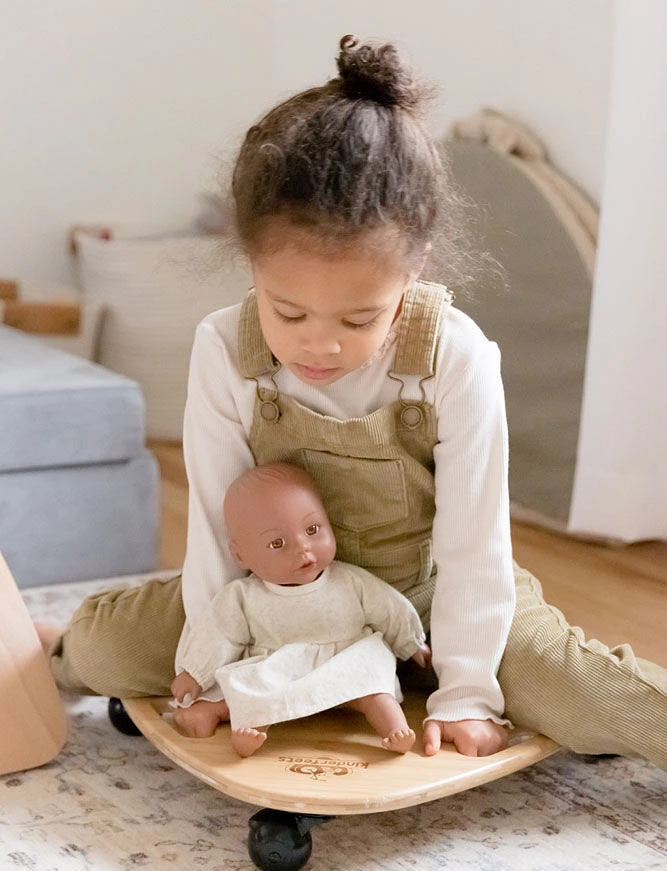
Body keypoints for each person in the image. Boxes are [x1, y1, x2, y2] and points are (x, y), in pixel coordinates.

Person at [44, 35, 666, 769]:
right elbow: (218, 536)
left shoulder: (455, 356)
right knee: (109, 649)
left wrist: (467, 691)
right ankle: (59, 639)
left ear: (415, 269)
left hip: (429, 597)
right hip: (278, 599)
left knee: (576, 689)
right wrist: (214, 675)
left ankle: (414, 669)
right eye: (289, 312)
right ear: (250, 261)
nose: (319, 347)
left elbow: (474, 547)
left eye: (358, 319)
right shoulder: (224, 348)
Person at [170, 462, 430, 756]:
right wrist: (195, 673)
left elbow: (388, 608)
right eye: (277, 543)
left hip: (347, 662)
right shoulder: (244, 596)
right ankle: (240, 727)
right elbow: (220, 633)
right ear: (240, 554)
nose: (303, 548)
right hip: (281, 669)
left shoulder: (350, 580)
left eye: (312, 529)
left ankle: (395, 730)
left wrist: (411, 642)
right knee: (252, 691)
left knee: (376, 686)